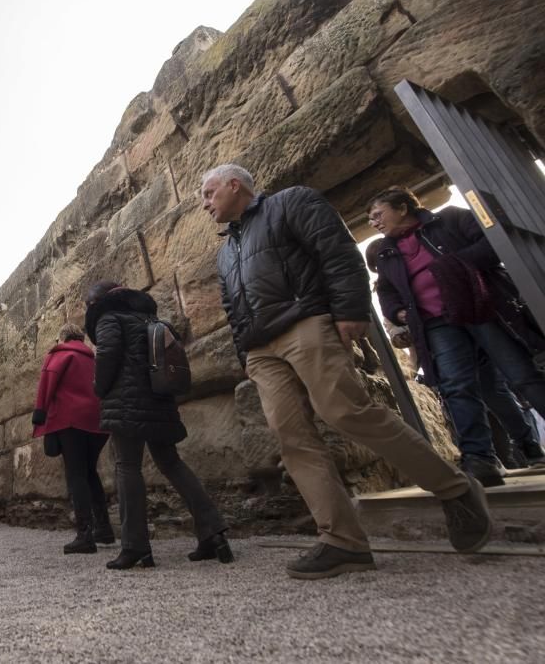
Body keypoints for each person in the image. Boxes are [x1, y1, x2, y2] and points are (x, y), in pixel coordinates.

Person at [203, 163, 491, 580]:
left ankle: (455, 489)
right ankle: (343, 541)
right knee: (291, 439)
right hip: (261, 349)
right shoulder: (226, 250)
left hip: (305, 321)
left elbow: (336, 251)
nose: (205, 204)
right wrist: (245, 352)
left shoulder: (291, 202)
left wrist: (352, 309)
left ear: (235, 185)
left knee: (344, 411)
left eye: (209, 194)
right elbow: (232, 306)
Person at [369, 187, 545, 483]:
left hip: (481, 310)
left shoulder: (450, 220)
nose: (374, 222)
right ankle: (480, 460)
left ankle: (527, 446)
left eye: (378, 214)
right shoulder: (387, 252)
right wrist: (399, 312)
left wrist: (450, 266)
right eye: (370, 219)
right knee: (456, 387)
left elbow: (491, 244)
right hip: (437, 323)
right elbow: (386, 289)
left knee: (521, 376)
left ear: (401, 208)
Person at [84, 281, 233, 570]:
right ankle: (213, 533)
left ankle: (135, 546)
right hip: (159, 401)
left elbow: (108, 356)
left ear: (99, 302)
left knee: (127, 466)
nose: (89, 309)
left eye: (89, 304)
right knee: (172, 464)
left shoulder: (108, 318)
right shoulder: (151, 318)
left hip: (126, 403)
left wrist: (99, 390)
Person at [32, 323, 113, 554]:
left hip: (70, 419)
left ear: (63, 337)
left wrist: (39, 414)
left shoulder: (59, 354)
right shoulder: (93, 357)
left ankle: (85, 535)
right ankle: (104, 529)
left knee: (76, 473)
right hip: (97, 420)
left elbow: (47, 382)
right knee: (90, 472)